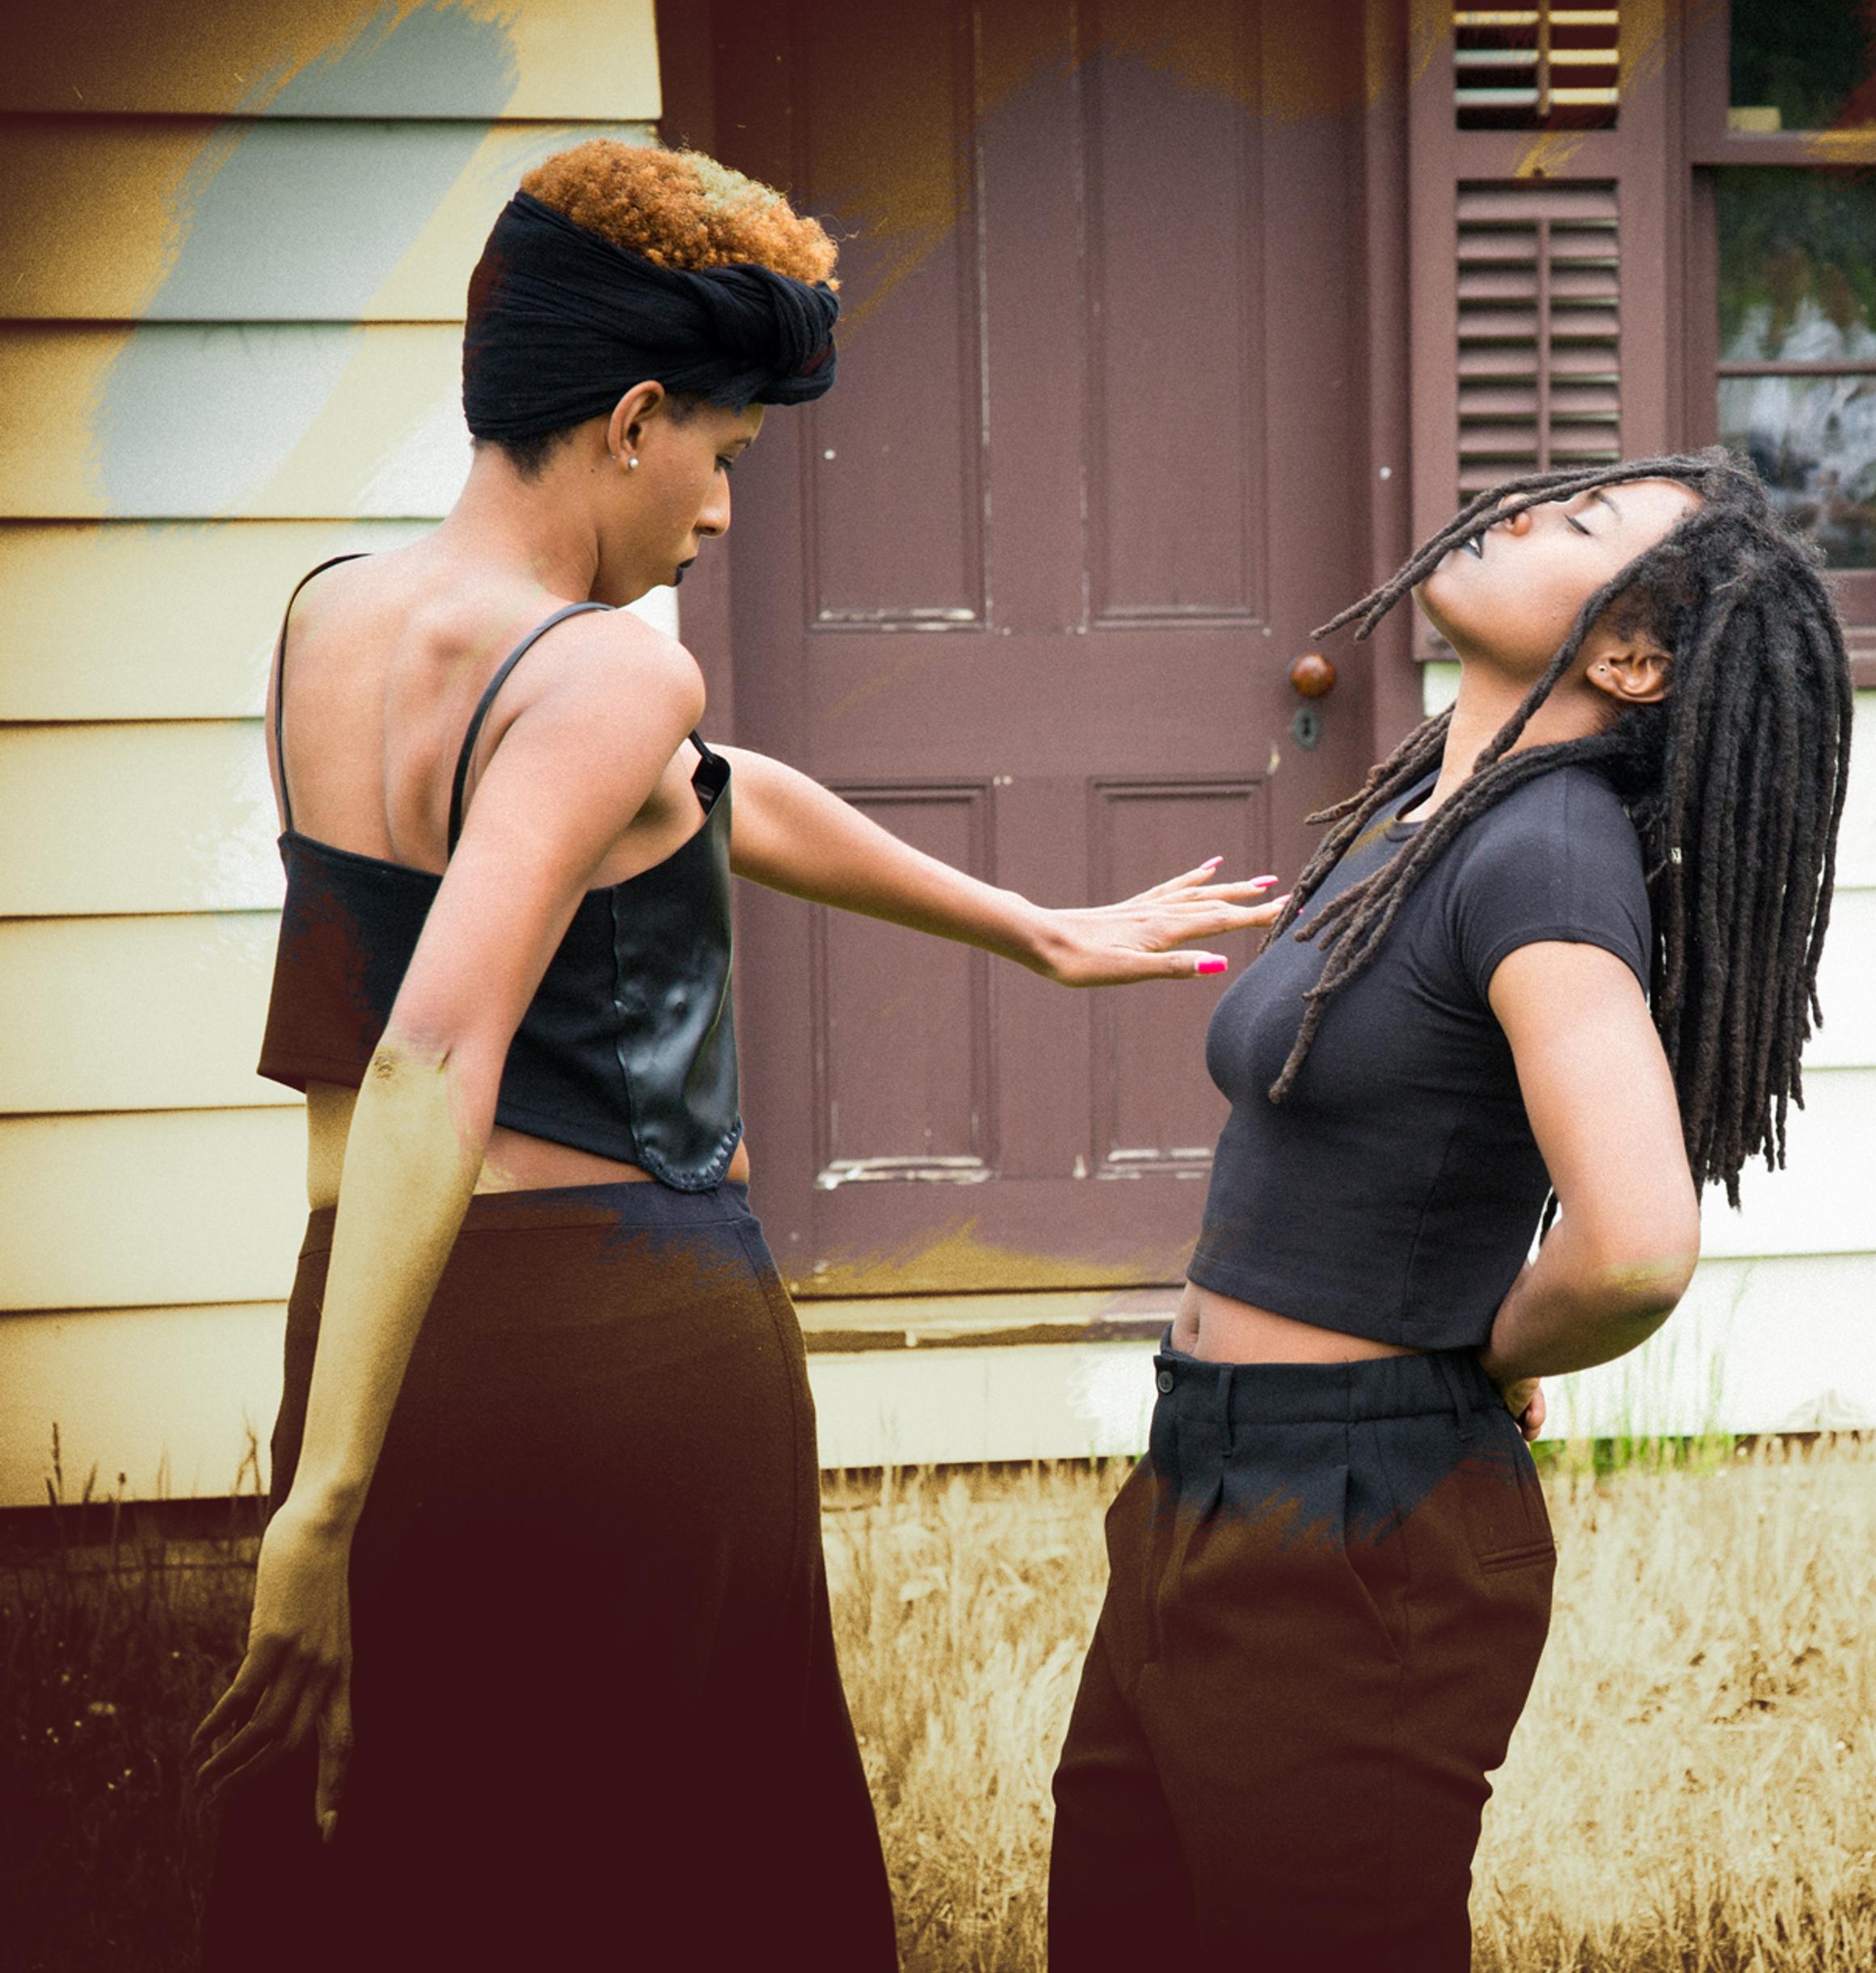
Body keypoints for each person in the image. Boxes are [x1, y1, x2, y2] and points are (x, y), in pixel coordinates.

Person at [192, 138, 1279, 1971]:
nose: (716, 512)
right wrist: (318, 1520)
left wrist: (1032, 925)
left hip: (365, 1326)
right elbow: (428, 1058)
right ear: (633, 419)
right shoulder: (610, 670)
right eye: (723, 455)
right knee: (671, 1881)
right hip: (617, 1360)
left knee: (417, 1865)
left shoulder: (334, 615)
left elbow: (695, 797)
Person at [1045, 451, 1857, 1971]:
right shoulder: (1429, 808)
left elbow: (1636, 1244)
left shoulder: (1544, 857)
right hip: (1212, 1469)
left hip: (1357, 1518)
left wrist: (1483, 1353)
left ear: (1631, 659)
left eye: (1583, 521)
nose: (1518, 507)